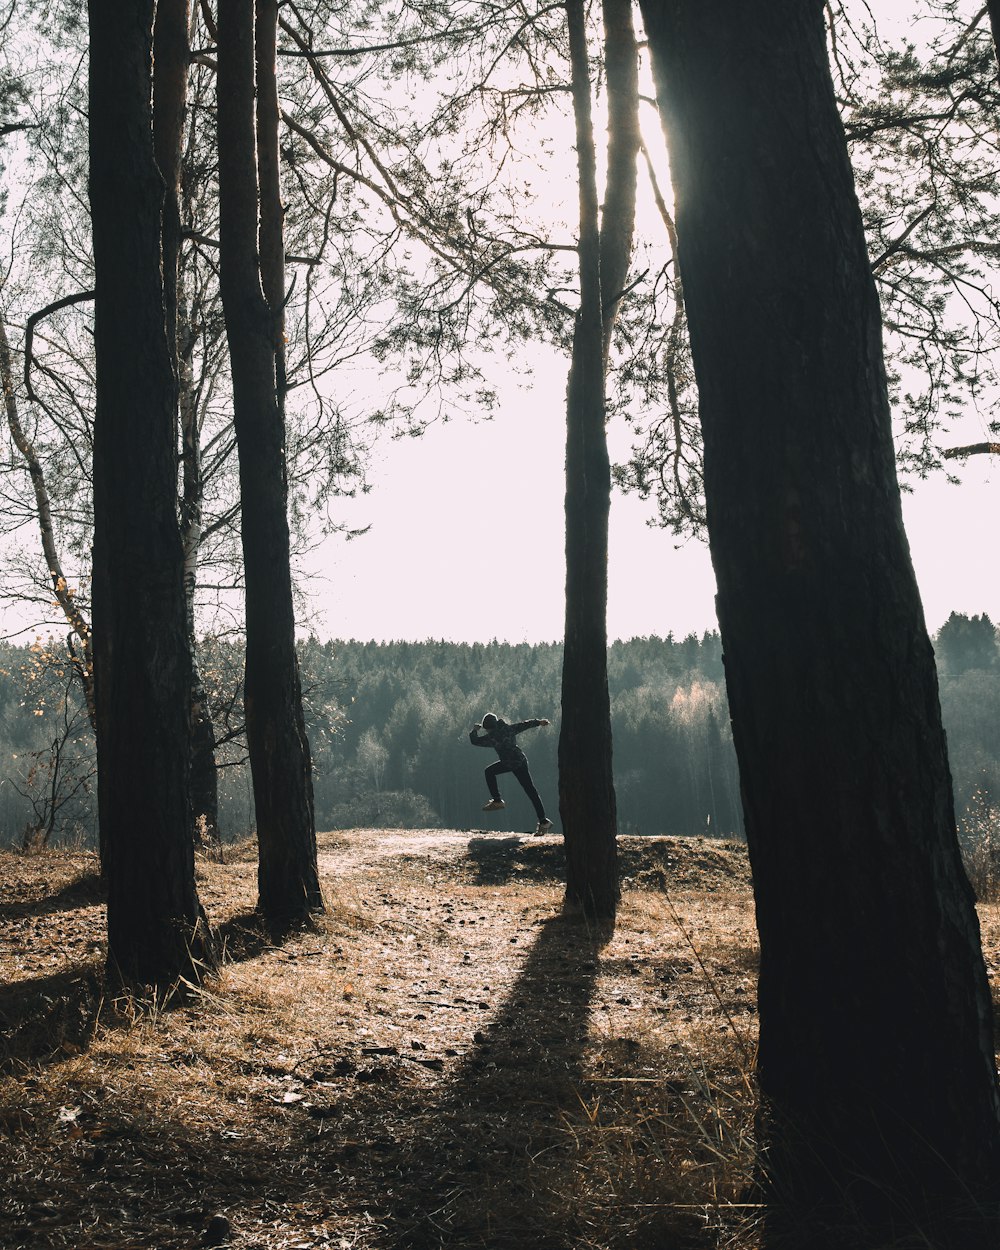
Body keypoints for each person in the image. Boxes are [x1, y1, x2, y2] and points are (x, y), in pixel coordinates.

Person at [469, 712, 554, 835]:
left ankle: (497, 800)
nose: (487, 732)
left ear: (489, 728)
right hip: (521, 760)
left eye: (487, 729)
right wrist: (539, 722)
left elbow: (475, 741)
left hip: (509, 763)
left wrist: (474, 730)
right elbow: (524, 725)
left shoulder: (492, 737)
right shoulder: (508, 729)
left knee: (489, 771)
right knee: (531, 790)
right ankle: (543, 821)